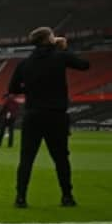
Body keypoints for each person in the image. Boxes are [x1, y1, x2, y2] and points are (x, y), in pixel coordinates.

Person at [9, 27, 90, 208]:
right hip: (55, 115)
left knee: (27, 158)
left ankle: (20, 197)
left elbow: (13, 89)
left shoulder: (25, 63)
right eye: (52, 35)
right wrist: (64, 49)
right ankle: (67, 196)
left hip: (32, 115)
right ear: (47, 39)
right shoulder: (60, 56)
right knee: (61, 158)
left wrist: (30, 89)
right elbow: (85, 65)